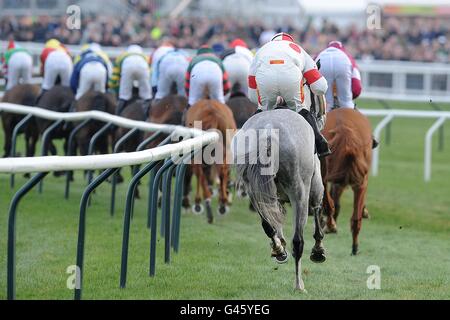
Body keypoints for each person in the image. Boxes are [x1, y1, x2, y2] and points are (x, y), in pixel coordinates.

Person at [248, 32, 331, 157]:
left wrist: (263, 103)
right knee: (300, 109)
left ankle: (248, 146)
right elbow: (321, 87)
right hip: (290, 79)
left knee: (263, 111)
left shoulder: (262, 50)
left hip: (266, 79)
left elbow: (253, 95)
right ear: (291, 41)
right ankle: (320, 144)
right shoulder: (298, 49)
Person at [316, 40, 362, 112]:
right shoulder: (348, 57)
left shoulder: (319, 55)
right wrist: (348, 97)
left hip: (322, 63)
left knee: (325, 106)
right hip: (343, 64)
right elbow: (357, 87)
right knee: (347, 104)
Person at [109, 45, 152, 115]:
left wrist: (112, 85)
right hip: (143, 66)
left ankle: (116, 118)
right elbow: (150, 74)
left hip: (127, 67)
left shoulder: (121, 56)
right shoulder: (145, 57)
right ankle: (148, 116)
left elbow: (115, 75)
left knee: (124, 96)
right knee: (147, 95)